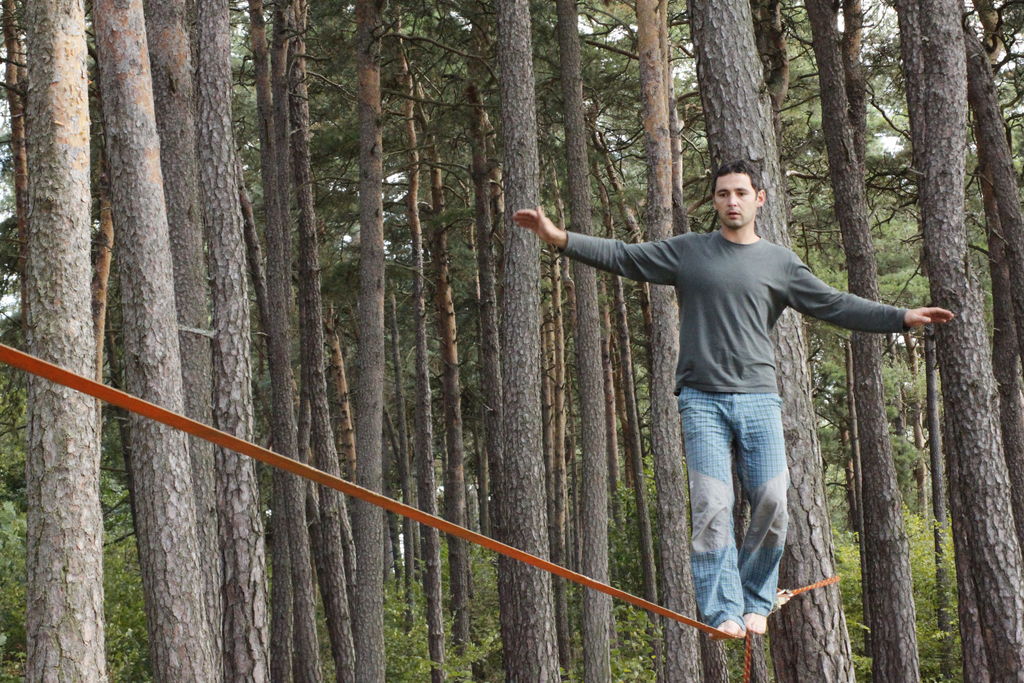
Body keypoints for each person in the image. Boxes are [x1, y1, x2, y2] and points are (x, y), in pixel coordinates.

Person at [512, 159, 953, 639]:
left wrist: (900, 316)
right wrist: (559, 238)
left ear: (759, 199)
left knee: (772, 500)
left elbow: (834, 303)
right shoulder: (689, 253)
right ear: (716, 201)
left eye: (741, 193)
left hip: (760, 400)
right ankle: (722, 609)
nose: (732, 201)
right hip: (701, 400)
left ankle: (754, 601)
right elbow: (624, 255)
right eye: (723, 194)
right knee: (712, 504)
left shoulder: (780, 263)